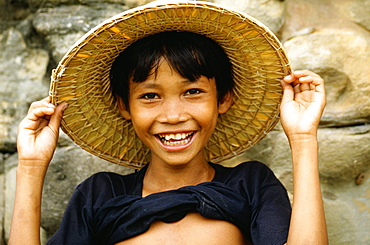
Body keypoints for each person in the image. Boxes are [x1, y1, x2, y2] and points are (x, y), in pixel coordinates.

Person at [9, 1, 328, 244]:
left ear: (223, 100)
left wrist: (302, 139)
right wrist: (32, 167)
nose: (173, 115)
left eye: (192, 92)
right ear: (125, 106)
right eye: (150, 96)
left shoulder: (250, 185)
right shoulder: (101, 195)